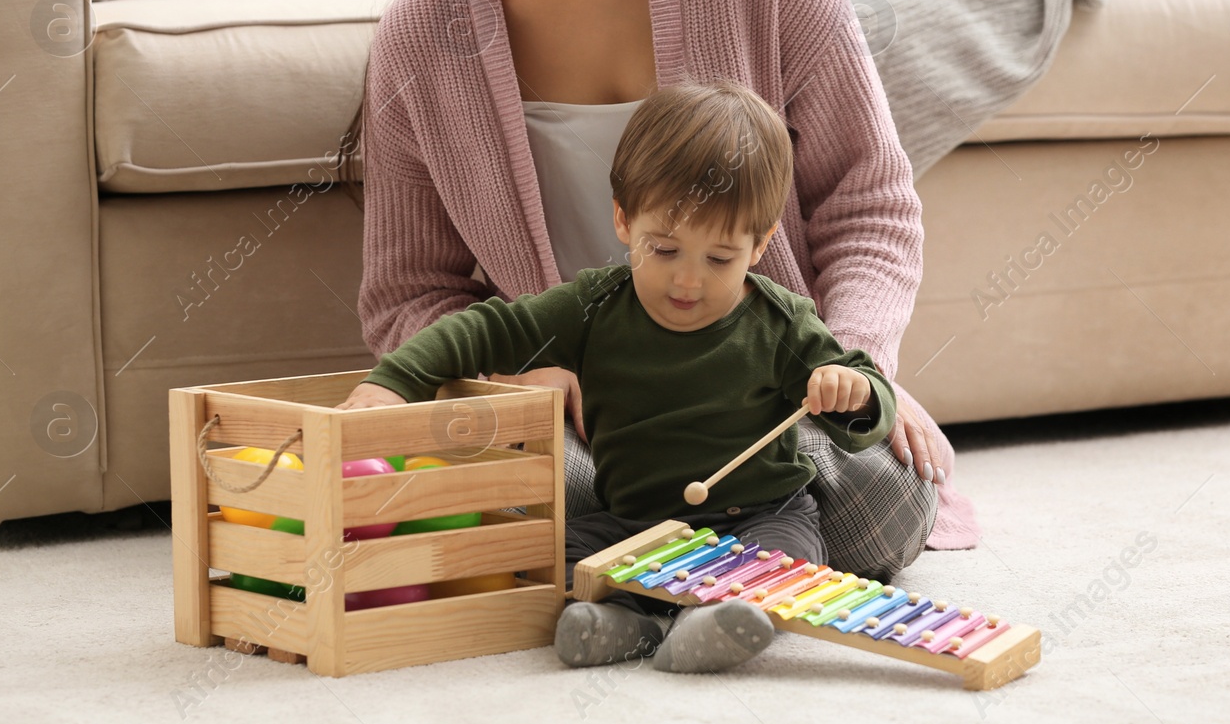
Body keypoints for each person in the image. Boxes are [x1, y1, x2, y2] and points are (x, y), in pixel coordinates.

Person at [333, 0, 978, 579]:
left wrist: (853, 364)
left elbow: (866, 197)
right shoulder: (418, 39)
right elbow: (409, 294)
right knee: (537, 487)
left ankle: (665, 565)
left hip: (765, 401)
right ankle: (712, 563)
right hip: (590, 425)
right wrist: (512, 383)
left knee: (882, 503)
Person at [338, 81, 896, 673]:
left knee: (784, 568)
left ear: (758, 247)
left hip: (759, 516)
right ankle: (629, 626)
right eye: (665, 250)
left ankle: (716, 617)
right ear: (624, 220)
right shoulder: (593, 307)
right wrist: (395, 380)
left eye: (718, 259)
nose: (687, 280)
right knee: (555, 560)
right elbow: (484, 330)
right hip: (635, 521)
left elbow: (867, 394)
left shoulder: (780, 322)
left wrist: (851, 391)